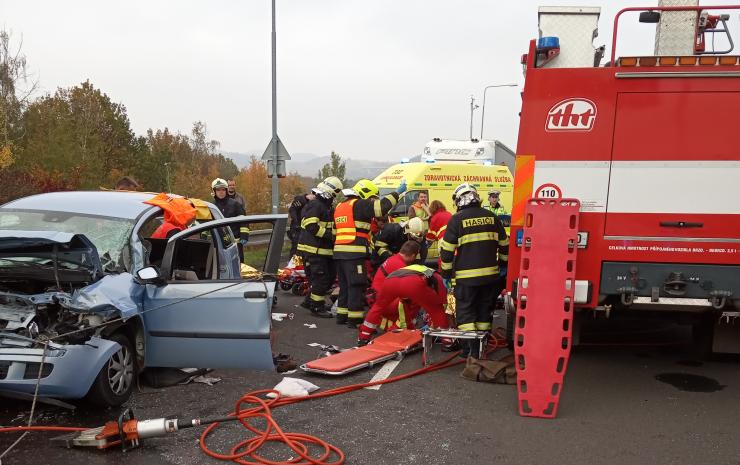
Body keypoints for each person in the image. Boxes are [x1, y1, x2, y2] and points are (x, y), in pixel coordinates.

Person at [440, 183, 509, 359]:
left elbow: (446, 252)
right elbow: (505, 247)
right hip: (491, 278)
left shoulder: (456, 220)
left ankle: (469, 351)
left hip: (466, 279)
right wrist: (502, 267)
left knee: (466, 313)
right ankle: (481, 348)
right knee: (484, 313)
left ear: (459, 201)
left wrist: (446, 275)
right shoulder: (493, 217)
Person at [334, 178, 406, 327]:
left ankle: (342, 316)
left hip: (339, 252)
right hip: (354, 252)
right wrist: (397, 192)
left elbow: (335, 231)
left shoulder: (341, 206)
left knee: (345, 285)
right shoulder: (360, 204)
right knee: (356, 285)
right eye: (373, 198)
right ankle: (354, 319)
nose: (373, 201)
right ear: (366, 194)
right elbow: (381, 208)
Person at [357, 263, 449, 346]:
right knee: (436, 309)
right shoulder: (438, 278)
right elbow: (442, 302)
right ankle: (447, 341)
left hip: (391, 280)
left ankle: (363, 337)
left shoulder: (421, 269)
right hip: (413, 282)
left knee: (378, 307)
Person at [296, 177, 343, 318]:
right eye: (335, 193)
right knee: (321, 279)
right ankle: (316, 307)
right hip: (314, 250)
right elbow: (311, 226)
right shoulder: (316, 205)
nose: (335, 197)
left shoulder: (326, 206)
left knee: (328, 278)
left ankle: (310, 301)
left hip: (323, 251)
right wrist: (331, 236)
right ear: (329, 192)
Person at [211, 178, 247, 259]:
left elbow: (244, 221)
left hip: (235, 242)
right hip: (218, 242)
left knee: (238, 264)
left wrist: (244, 236)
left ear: (226, 190)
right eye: (218, 190)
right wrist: (205, 237)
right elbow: (207, 224)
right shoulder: (212, 206)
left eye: (223, 190)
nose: (221, 192)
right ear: (214, 191)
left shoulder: (235, 204)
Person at [288, 192, 316, 258]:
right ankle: (292, 265)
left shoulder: (314, 203)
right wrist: (297, 223)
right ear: (311, 194)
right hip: (297, 229)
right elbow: (292, 210)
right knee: (296, 248)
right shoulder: (300, 200)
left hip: (306, 229)